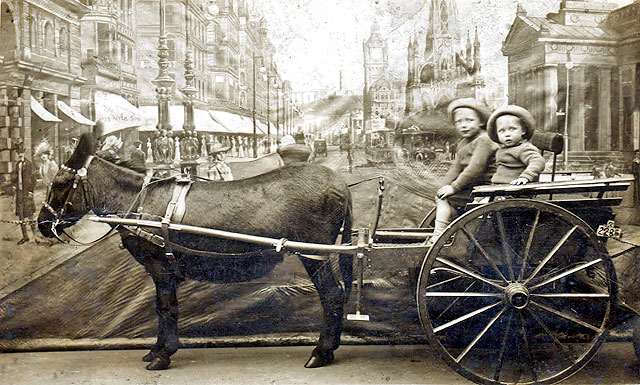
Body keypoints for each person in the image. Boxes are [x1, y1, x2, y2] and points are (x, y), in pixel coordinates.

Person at [430, 98, 499, 245]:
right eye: (459, 122)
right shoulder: (464, 142)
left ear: (481, 121)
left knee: (447, 199)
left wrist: (454, 187)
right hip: (473, 186)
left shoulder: (484, 140)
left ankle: (439, 235)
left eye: (469, 120)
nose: (464, 125)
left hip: (487, 187)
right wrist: (443, 186)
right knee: (442, 196)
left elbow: (475, 169)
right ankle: (452, 232)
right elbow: (456, 167)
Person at [487, 105, 546, 185]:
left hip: (515, 188)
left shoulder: (523, 148)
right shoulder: (502, 149)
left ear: (523, 130)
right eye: (502, 131)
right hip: (499, 186)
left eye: (512, 129)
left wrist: (525, 177)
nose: (507, 134)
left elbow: (538, 161)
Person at [11, 143, 41, 245]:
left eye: (21, 152)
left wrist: (31, 191)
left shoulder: (29, 164)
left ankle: (36, 237)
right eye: (18, 153)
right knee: (21, 216)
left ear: (24, 153)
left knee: (30, 215)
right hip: (19, 193)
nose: (20, 154)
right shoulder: (17, 165)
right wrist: (14, 185)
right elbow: (14, 177)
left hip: (27, 193)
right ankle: (25, 237)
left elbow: (34, 179)